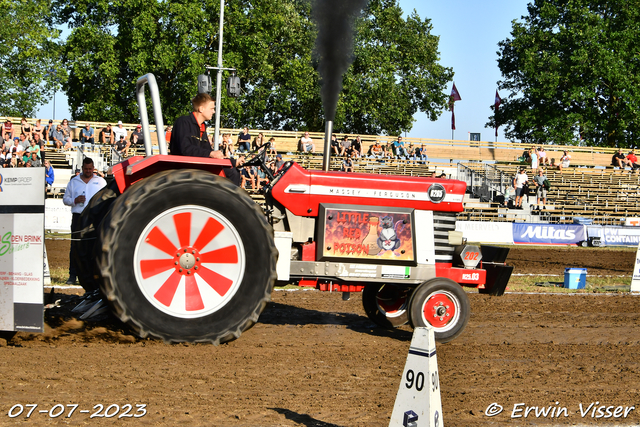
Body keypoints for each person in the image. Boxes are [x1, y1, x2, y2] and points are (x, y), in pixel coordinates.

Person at [171, 93, 244, 185]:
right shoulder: (183, 122)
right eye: (212, 109)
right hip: (184, 167)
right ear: (201, 109)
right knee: (231, 173)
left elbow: (208, 153)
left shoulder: (202, 127)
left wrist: (233, 162)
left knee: (233, 171)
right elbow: (185, 149)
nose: (213, 112)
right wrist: (210, 153)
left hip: (197, 166)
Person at [62, 157, 107, 285]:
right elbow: (65, 199)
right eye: (86, 169)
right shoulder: (74, 181)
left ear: (93, 168)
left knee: (94, 246)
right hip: (78, 217)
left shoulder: (101, 182)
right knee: (75, 246)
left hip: (95, 219)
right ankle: (72, 275)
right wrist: (75, 200)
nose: (88, 171)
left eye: (90, 169)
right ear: (82, 168)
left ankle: (93, 276)